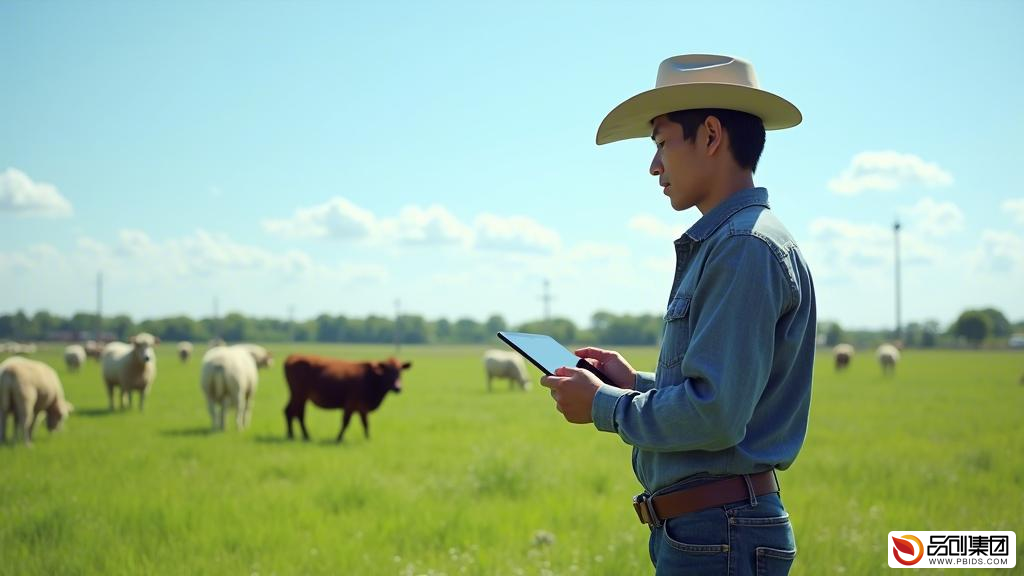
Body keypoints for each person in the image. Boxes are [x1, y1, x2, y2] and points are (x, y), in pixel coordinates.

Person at [540, 54, 816, 575]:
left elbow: (715, 414)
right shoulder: (735, 242)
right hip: (710, 527)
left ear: (711, 135)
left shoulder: (743, 247)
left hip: (721, 531)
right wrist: (634, 383)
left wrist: (604, 405)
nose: (654, 165)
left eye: (662, 142)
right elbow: (729, 395)